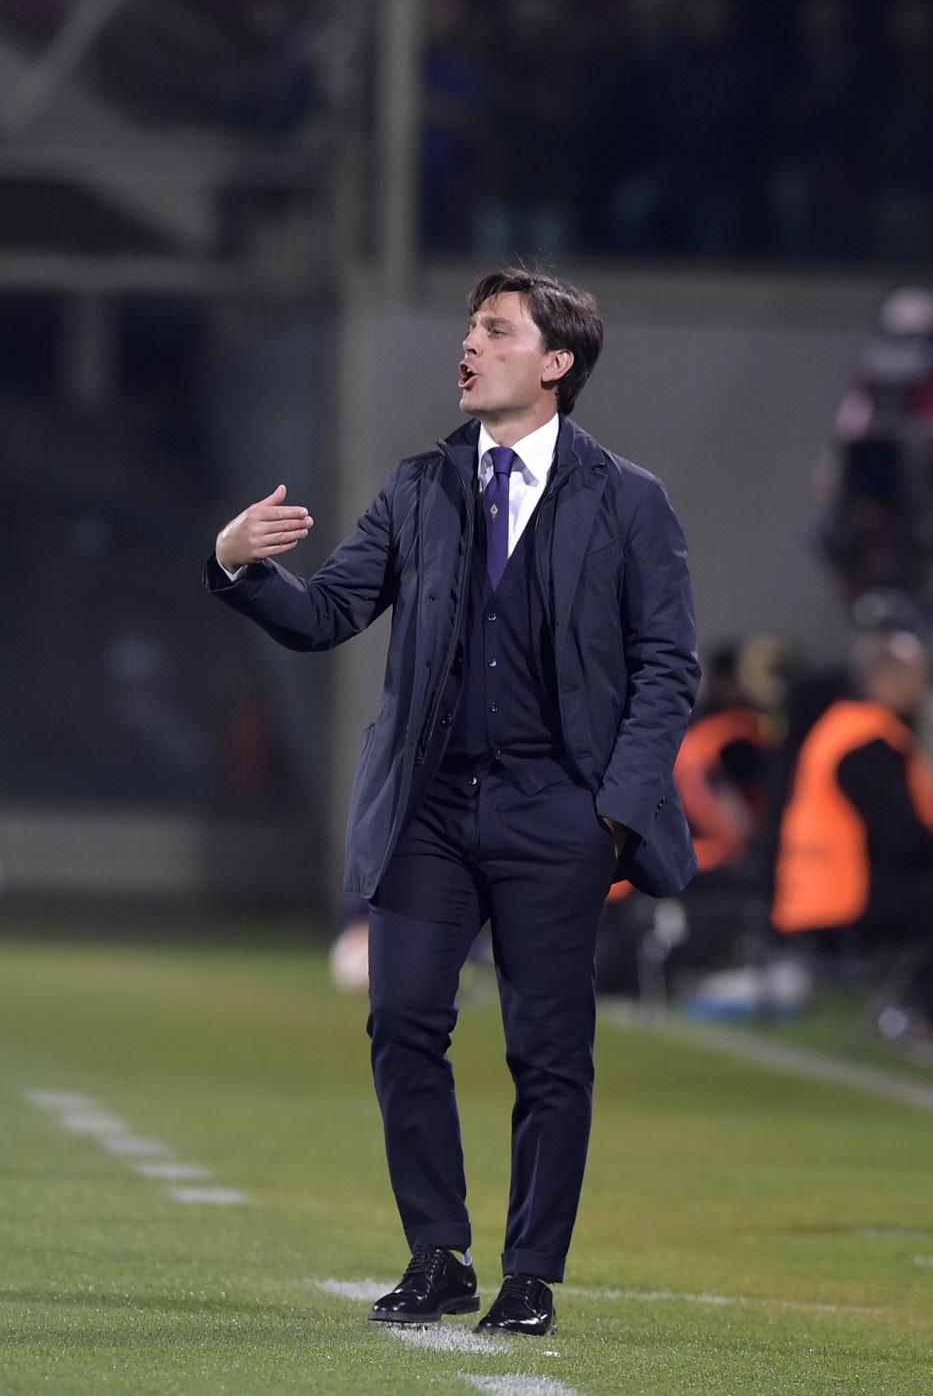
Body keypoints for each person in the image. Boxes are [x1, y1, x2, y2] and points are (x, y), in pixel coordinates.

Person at [204, 268, 699, 1336]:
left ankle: (531, 1274)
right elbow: (329, 613)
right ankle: (439, 1253)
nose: (468, 346)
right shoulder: (420, 485)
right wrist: (238, 567)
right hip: (428, 809)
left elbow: (668, 666)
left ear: (556, 362)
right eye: (470, 328)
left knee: (549, 1050)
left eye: (495, 330)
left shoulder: (629, 498)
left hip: (560, 813)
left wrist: (613, 813)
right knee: (400, 1022)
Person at [772, 629, 933, 1030]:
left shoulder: (844, 728)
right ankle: (916, 1014)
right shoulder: (866, 740)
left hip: (816, 890)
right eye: (918, 676)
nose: (923, 687)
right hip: (843, 896)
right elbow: (902, 837)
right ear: (889, 678)